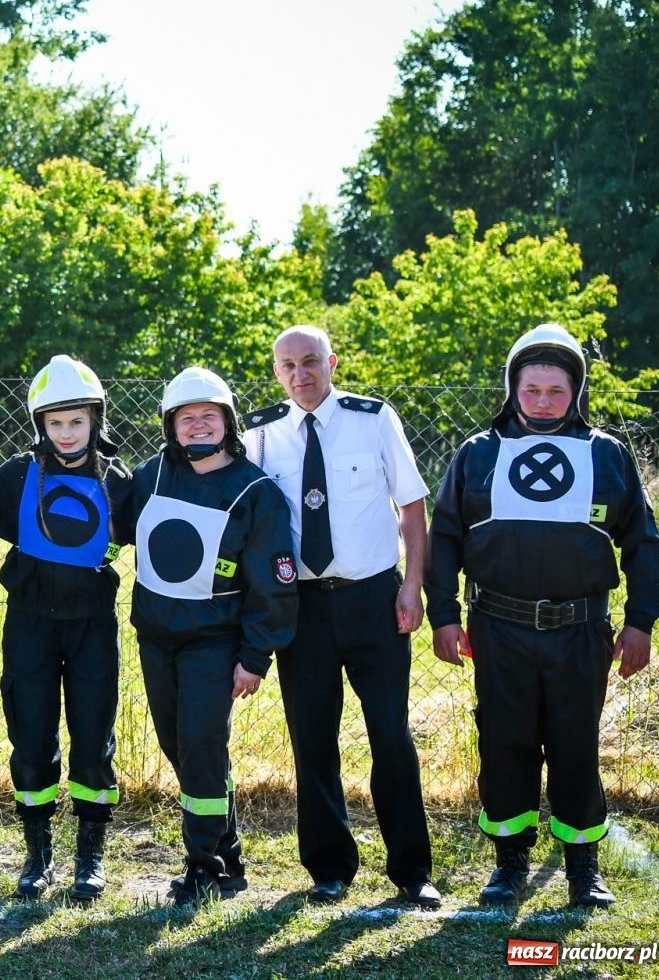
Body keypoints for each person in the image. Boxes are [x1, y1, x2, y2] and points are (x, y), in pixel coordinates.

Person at [426, 324, 659, 909]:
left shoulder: (606, 455)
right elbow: (445, 539)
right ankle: (509, 862)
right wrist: (443, 616)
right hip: (498, 630)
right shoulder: (477, 455)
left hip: (580, 632)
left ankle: (582, 864)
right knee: (505, 746)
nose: (542, 401)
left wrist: (640, 622)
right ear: (513, 390)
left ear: (575, 394)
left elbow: (642, 543)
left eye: (555, 391)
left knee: (576, 746)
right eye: (531, 389)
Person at [242, 325, 439, 908]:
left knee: (391, 735)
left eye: (309, 362)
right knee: (313, 739)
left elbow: (411, 504)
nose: (300, 375)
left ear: (331, 362)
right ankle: (329, 867)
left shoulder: (373, 418)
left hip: (374, 600)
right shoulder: (261, 434)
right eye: (287, 366)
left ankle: (411, 870)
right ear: (276, 372)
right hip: (300, 607)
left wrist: (412, 584)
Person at [122, 367, 297, 906]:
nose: (198, 426)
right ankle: (229, 852)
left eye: (208, 416)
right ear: (170, 427)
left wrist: (254, 655)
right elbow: (111, 533)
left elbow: (273, 582)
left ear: (228, 422)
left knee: (201, 746)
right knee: (179, 746)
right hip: (155, 637)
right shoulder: (151, 477)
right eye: (186, 418)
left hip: (213, 644)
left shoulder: (254, 491)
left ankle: (202, 867)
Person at [0, 355, 131, 903]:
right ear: (41, 424)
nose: (67, 434)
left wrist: (108, 547)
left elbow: (147, 535)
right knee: (32, 736)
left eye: (77, 422)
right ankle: (37, 852)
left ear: (95, 420)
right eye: (55, 423)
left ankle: (90, 854)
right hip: (30, 625)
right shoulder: (17, 476)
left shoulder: (117, 479)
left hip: (93, 626)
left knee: (94, 738)